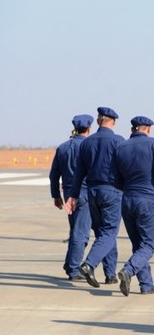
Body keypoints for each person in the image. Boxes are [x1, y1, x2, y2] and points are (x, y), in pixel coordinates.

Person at [65, 106, 125, 288]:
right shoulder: (118, 141)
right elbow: (125, 168)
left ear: (98, 121)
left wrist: (73, 195)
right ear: (113, 122)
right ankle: (89, 264)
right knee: (109, 232)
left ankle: (110, 274)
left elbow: (79, 173)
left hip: (92, 192)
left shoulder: (86, 143)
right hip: (112, 191)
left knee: (103, 233)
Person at [114, 116, 154, 295]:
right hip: (146, 199)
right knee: (148, 244)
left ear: (133, 129)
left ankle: (146, 284)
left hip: (127, 199)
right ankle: (128, 270)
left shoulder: (121, 147)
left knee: (138, 243)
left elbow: (115, 175)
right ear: (148, 129)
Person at [49, 114, 94, 281]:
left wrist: (56, 195)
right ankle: (74, 269)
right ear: (89, 128)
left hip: (68, 193)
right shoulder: (89, 146)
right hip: (84, 193)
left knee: (75, 230)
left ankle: (70, 264)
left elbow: (54, 175)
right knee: (81, 233)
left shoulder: (63, 147)